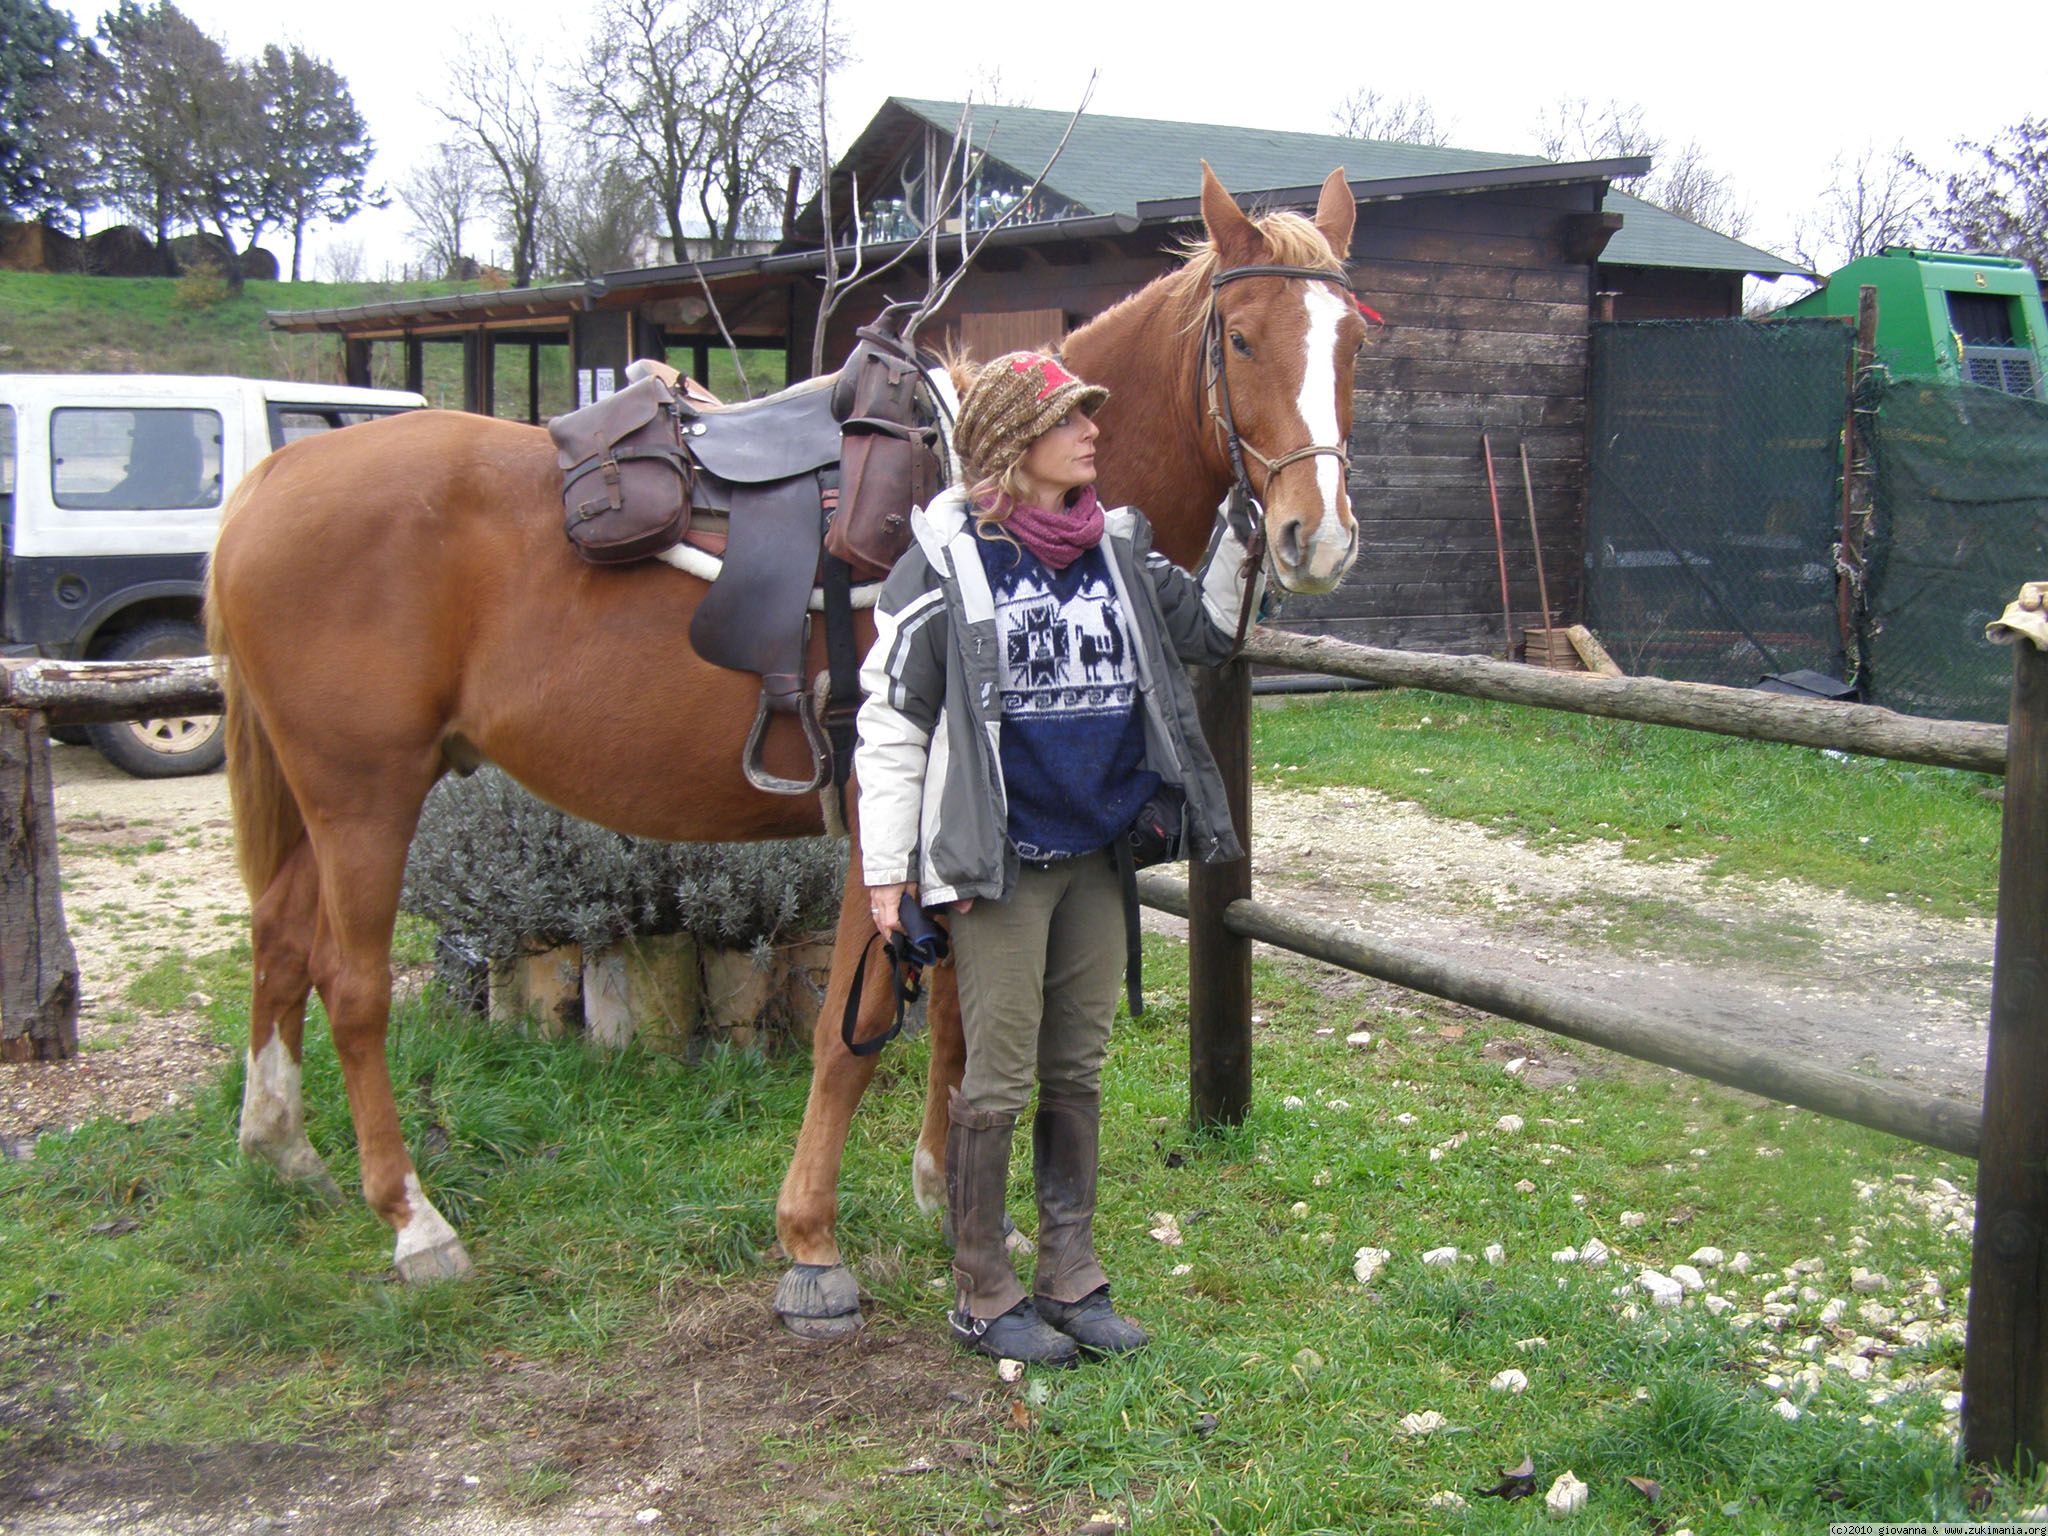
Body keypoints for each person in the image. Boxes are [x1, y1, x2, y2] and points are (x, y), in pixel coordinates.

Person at [854, 350, 1264, 1365]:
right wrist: (885, 873)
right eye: (1067, 419)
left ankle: (1069, 1277)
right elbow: (891, 720)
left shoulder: (1121, 551)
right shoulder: (944, 566)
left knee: (1074, 1067)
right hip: (999, 862)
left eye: (1089, 414)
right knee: (992, 1079)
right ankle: (982, 1290)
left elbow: (1210, 632)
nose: (1091, 431)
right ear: (1009, 446)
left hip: (1096, 853)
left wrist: (1246, 531)